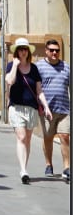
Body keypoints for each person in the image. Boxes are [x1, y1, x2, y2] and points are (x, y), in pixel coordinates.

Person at [6, 37, 53, 184]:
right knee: (21, 137)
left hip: (31, 108)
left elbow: (39, 90)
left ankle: (24, 167)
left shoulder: (34, 69)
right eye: (20, 49)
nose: (23, 52)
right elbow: (9, 81)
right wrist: (15, 66)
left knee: (27, 139)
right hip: (16, 107)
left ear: (28, 51)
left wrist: (46, 106)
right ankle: (23, 171)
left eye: (25, 49)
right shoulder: (10, 66)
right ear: (16, 52)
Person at [37, 38, 70, 183]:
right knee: (48, 138)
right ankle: (48, 164)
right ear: (46, 51)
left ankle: (67, 168)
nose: (55, 52)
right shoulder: (39, 67)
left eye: (57, 50)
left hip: (64, 109)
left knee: (64, 136)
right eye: (51, 50)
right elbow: (36, 88)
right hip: (47, 111)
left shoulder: (67, 67)